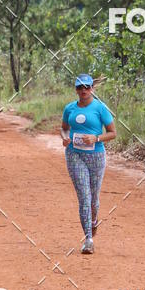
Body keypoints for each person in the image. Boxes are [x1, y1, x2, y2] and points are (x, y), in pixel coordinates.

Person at [61, 74, 116, 254]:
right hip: (74, 155)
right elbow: (64, 128)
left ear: (92, 88)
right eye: (80, 87)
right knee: (84, 197)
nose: (83, 90)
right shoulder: (69, 109)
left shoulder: (100, 108)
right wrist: (64, 138)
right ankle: (88, 239)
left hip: (96, 157)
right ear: (76, 89)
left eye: (86, 87)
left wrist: (96, 137)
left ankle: (93, 221)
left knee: (93, 199)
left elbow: (113, 133)